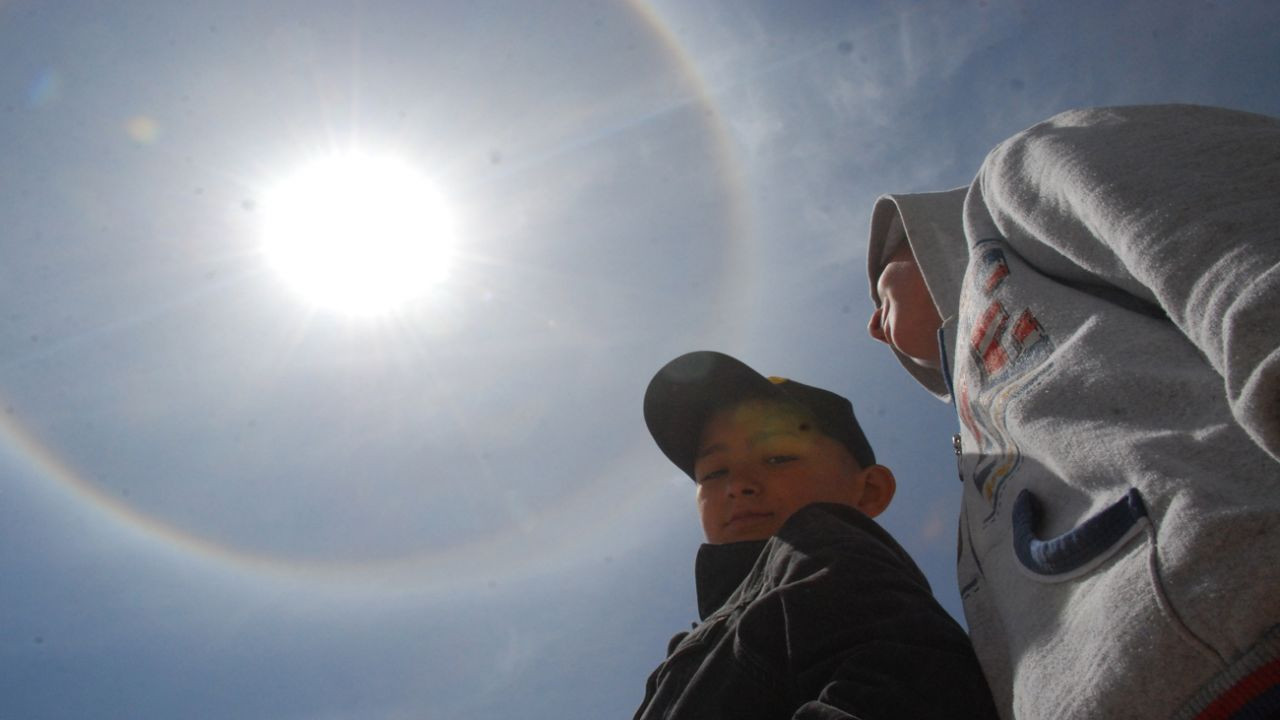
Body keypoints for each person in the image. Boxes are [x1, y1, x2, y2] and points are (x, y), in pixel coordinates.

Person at [864, 104, 1280, 719]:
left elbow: (1240, 262)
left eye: (879, 292)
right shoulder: (979, 442)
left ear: (921, 241)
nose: (873, 327)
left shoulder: (1020, 177)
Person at [632, 350, 999, 720]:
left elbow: (909, 683)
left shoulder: (819, 549)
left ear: (869, 490)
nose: (737, 485)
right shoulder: (684, 653)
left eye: (777, 457)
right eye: (714, 472)